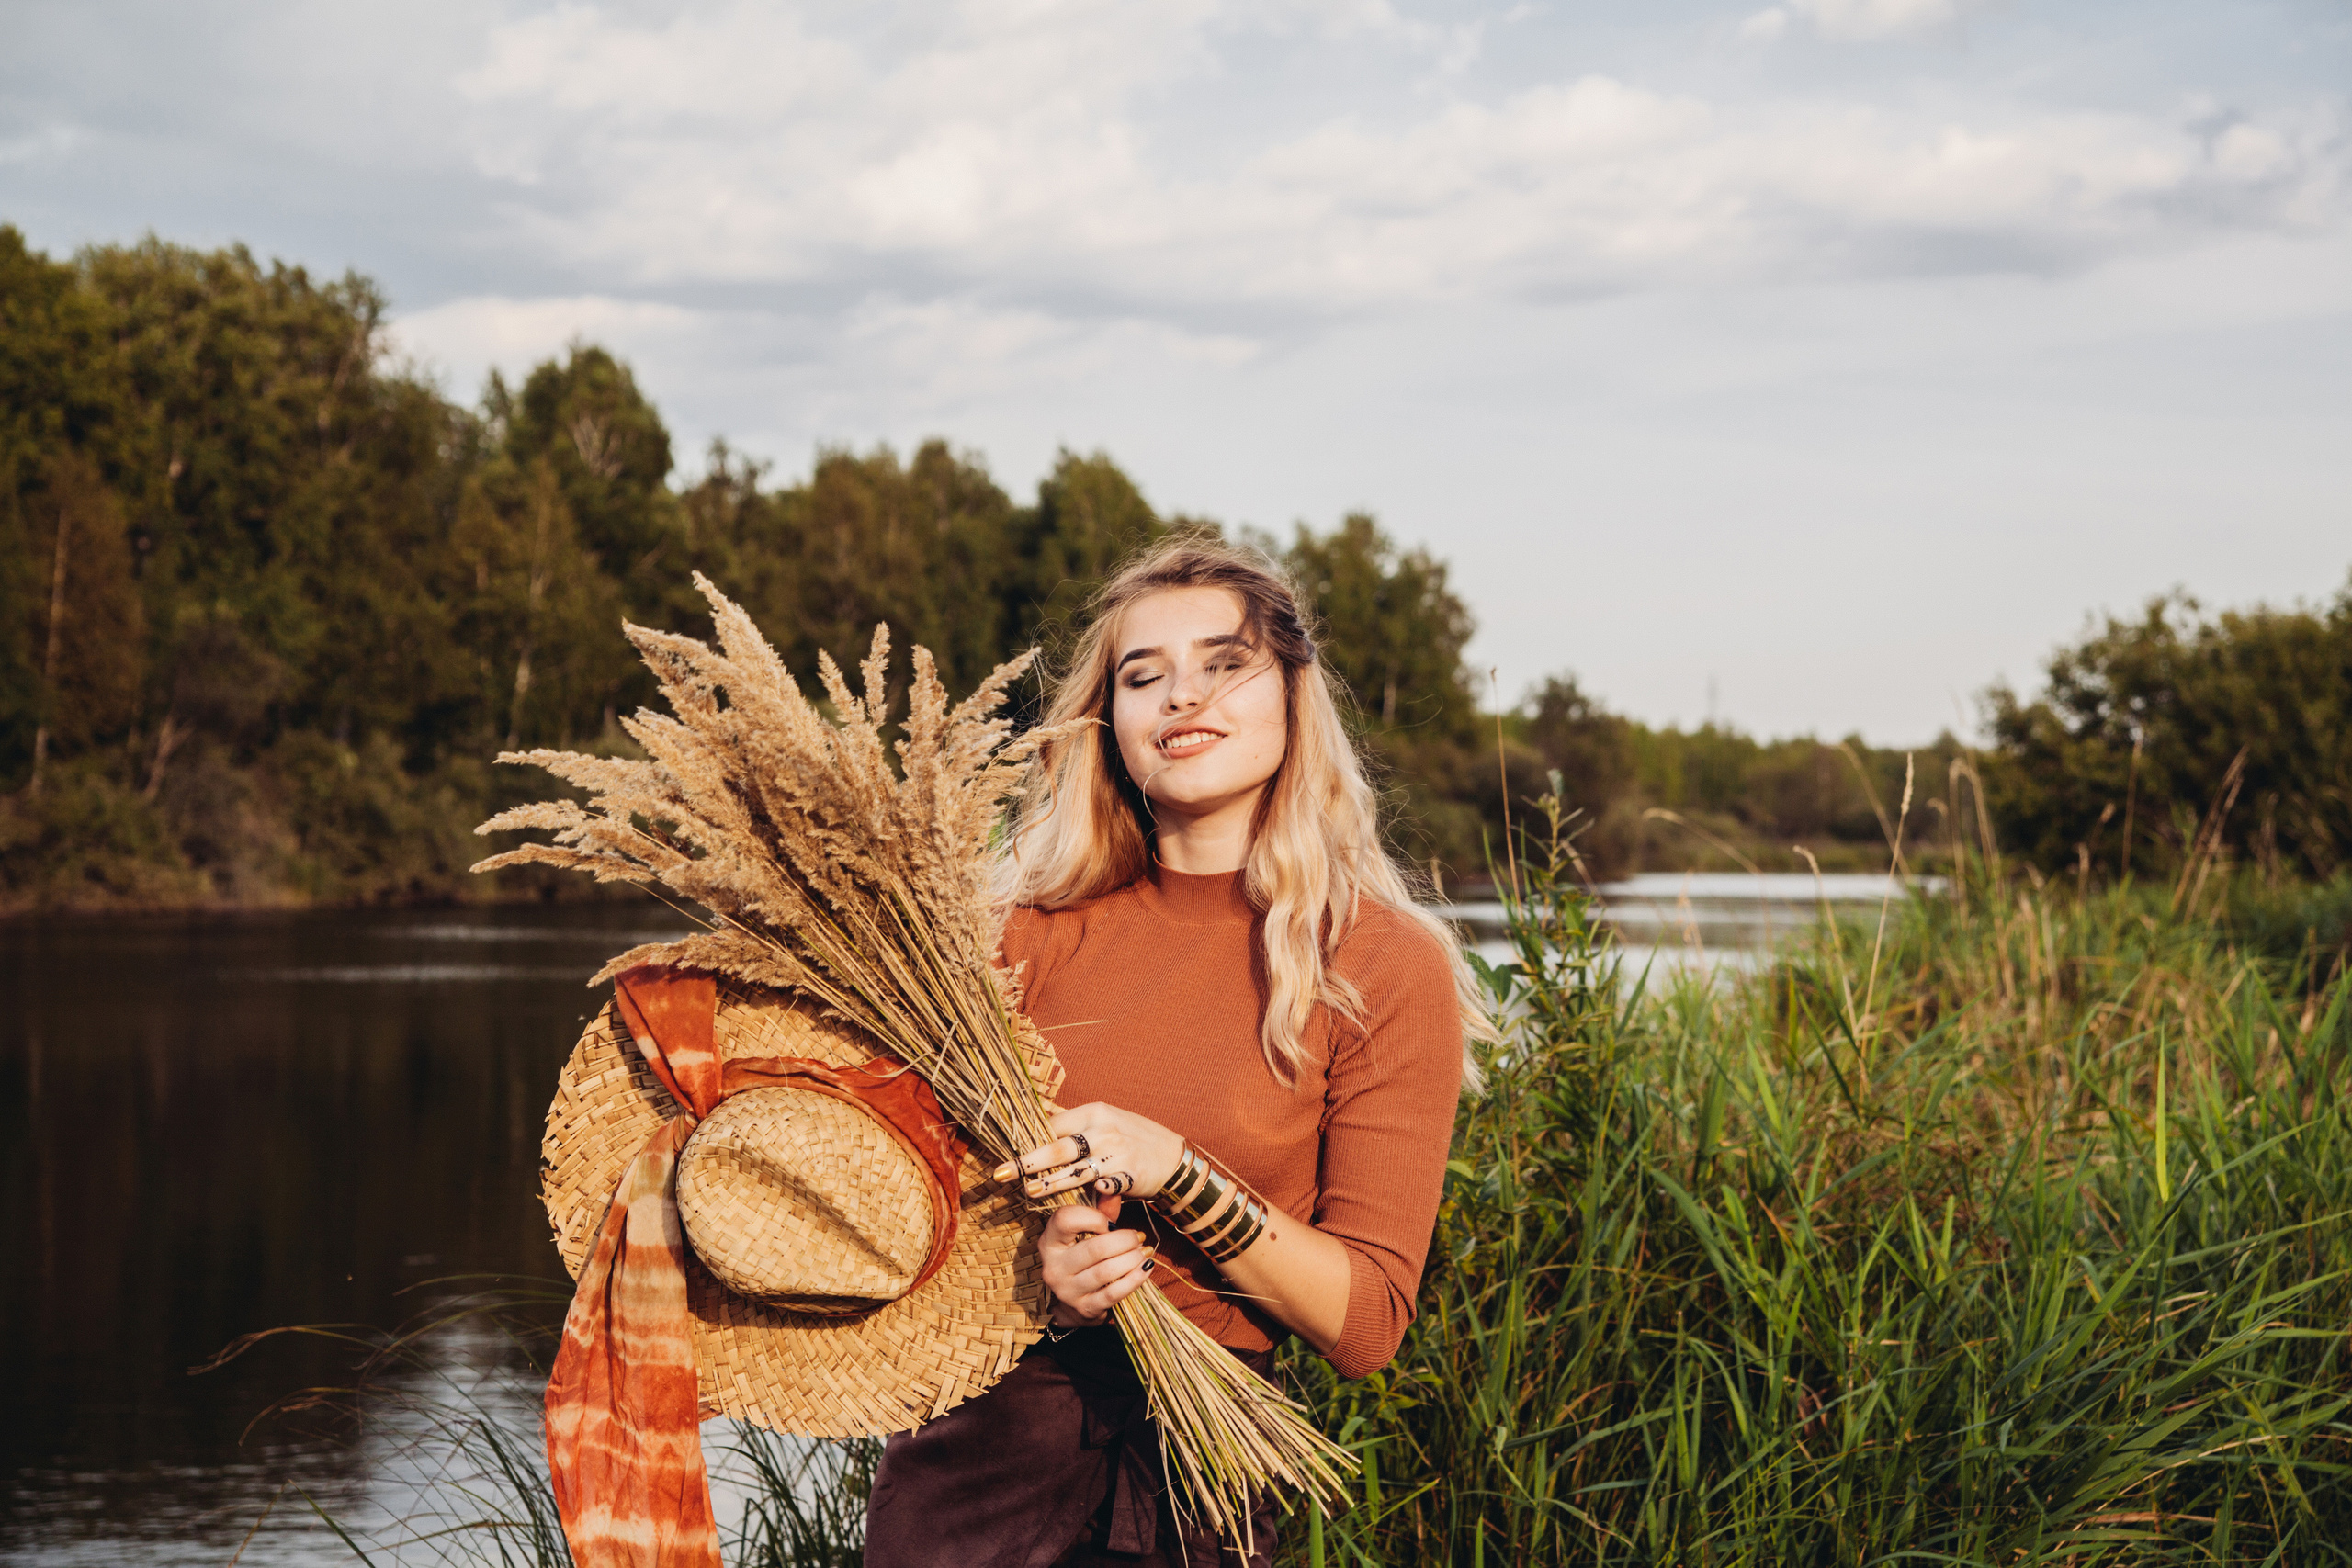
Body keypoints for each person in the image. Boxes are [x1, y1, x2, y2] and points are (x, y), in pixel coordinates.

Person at [863, 536, 1490, 1568]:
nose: (1180, 698)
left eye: (1223, 664)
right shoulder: (1011, 935)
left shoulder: (1378, 962)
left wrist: (1179, 1175)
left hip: (1200, 1477)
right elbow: (899, 1217)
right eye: (1142, 676)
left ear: (1293, 696)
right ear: (1109, 723)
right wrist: (1033, 1283)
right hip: (976, 1468)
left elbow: (1367, 1323)